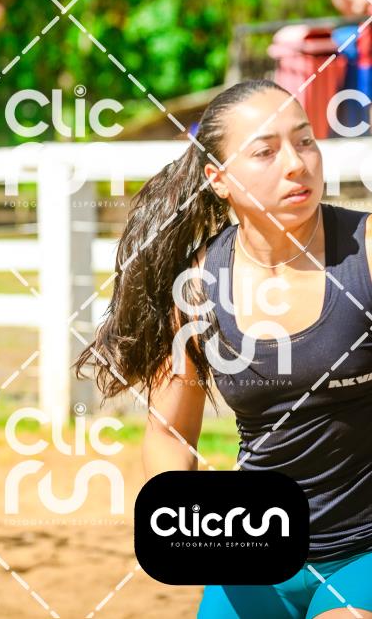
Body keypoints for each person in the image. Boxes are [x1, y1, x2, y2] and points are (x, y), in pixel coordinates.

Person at [74, 78, 372, 619]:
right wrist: (192, 522)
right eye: (265, 151)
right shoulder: (197, 285)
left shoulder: (366, 252)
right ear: (219, 179)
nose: (296, 164)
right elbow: (168, 432)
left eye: (305, 140)